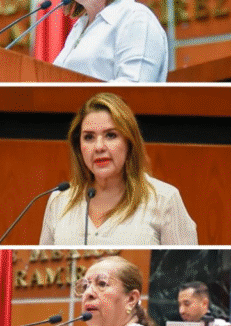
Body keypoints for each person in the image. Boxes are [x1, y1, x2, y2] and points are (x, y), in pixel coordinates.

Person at [40, 93, 197, 245]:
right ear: (78, 146)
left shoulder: (164, 199)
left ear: (129, 141)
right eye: (89, 137)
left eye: (110, 135)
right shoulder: (59, 200)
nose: (99, 147)